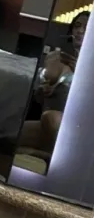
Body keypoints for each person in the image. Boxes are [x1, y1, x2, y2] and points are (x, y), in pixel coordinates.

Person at [19, 10, 89, 155]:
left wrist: (80, 74)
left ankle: (53, 155)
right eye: (77, 26)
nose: (80, 31)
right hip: (48, 122)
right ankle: (46, 154)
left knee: (50, 117)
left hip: (78, 126)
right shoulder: (53, 58)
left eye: (86, 27)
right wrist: (42, 91)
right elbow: (39, 100)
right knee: (15, 133)